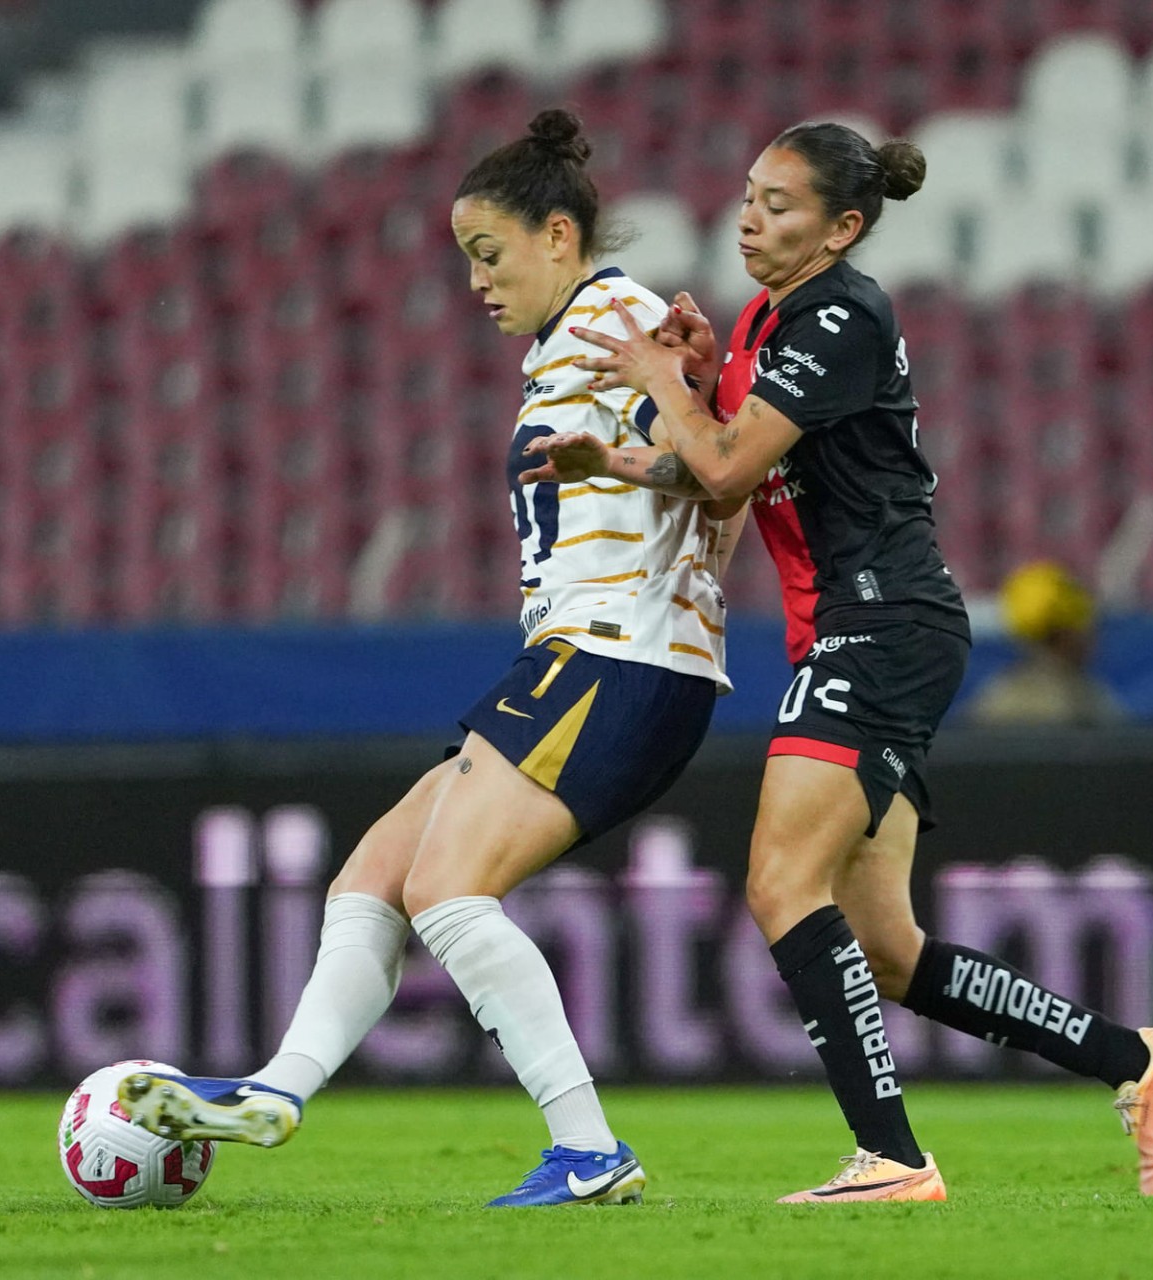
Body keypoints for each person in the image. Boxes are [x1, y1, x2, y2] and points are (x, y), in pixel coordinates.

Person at [532, 121, 1153, 1202]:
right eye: (748, 196)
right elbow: (719, 471)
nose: (750, 219)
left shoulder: (840, 315)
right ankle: (1139, 1061)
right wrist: (628, 446)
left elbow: (728, 463)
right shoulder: (769, 320)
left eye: (780, 205)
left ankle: (891, 1157)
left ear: (842, 227)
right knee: (890, 949)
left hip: (881, 624)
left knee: (779, 881)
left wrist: (663, 379)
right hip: (865, 630)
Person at [121, 110, 746, 1207]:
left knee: (449, 891)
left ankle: (589, 1148)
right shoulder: (574, 340)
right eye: (467, 259)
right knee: (373, 875)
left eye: (489, 253)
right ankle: (278, 1088)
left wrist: (673, 415)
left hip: (620, 654)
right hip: (590, 653)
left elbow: (724, 470)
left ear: (560, 235)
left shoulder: (622, 320)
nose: (475, 282)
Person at [967, 560, 1125, 727]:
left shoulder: (998, 696)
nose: (1095, 636)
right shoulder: (1084, 702)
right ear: (1066, 635)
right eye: (1086, 625)